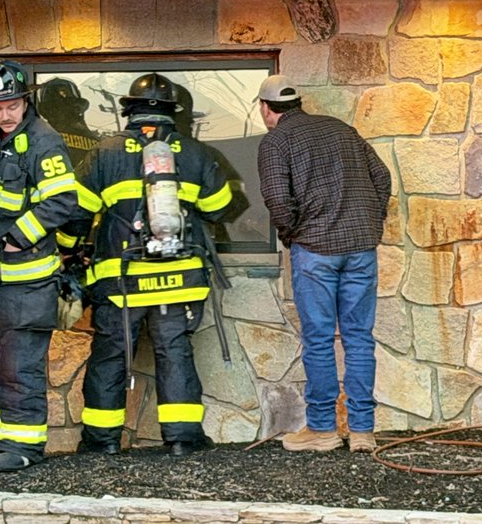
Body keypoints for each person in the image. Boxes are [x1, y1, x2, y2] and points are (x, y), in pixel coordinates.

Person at [60, 73, 233, 458]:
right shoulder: (195, 153)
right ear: (173, 113)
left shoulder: (104, 154)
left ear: (128, 113)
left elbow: (75, 214)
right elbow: (220, 207)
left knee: (111, 355)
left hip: (121, 283)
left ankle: (102, 440)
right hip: (180, 280)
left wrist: (68, 251)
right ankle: (182, 438)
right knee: (175, 352)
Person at [255, 74, 392, 454]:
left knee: (318, 340)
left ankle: (322, 429)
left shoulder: (276, 141)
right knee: (359, 338)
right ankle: (363, 431)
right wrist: (371, 221)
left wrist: (294, 234)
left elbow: (278, 201)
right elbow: (381, 176)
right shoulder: (341, 129)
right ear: (297, 102)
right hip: (361, 248)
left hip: (315, 249)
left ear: (266, 108)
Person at [0, 59, 78, 472]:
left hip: (25, 278)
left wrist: (15, 237)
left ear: (26, 101)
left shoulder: (45, 142)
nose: (5, 114)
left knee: (19, 363)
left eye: (11, 105)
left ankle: (26, 445)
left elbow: (63, 201)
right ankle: (3, 434)